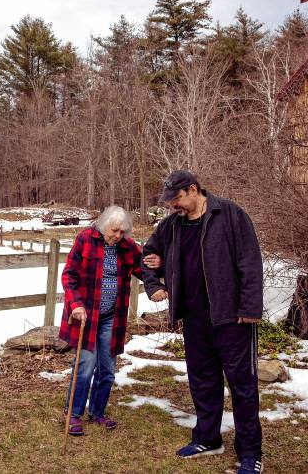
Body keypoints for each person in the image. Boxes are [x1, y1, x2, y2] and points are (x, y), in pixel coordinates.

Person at [141, 170, 264, 474]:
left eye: (177, 200)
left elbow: (250, 262)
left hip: (232, 318)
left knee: (243, 387)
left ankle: (250, 453)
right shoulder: (171, 225)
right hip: (194, 319)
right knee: (203, 382)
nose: (174, 206)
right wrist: (155, 285)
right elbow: (149, 254)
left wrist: (249, 308)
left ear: (193, 189)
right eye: (170, 203)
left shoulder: (230, 215)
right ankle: (208, 439)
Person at [59, 205, 143, 436]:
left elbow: (143, 268)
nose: (118, 236)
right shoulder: (85, 239)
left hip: (111, 318)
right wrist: (75, 304)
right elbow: (69, 275)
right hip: (86, 315)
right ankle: (72, 413)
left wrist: (159, 269)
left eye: (122, 232)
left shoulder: (126, 246)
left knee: (107, 369)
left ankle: (97, 412)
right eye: (114, 231)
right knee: (85, 367)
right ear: (104, 225)